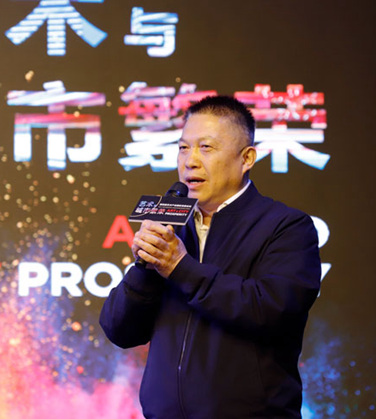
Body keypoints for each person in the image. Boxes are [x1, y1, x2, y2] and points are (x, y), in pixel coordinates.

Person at [99, 96, 321, 419]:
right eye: (183, 148)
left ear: (246, 158)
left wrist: (180, 268)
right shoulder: (174, 229)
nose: (190, 161)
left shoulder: (286, 227)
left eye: (206, 148)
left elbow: (269, 310)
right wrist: (146, 267)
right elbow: (119, 329)